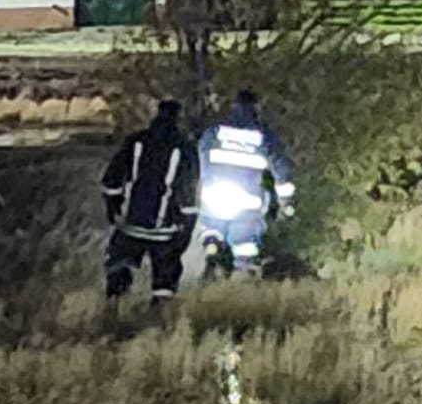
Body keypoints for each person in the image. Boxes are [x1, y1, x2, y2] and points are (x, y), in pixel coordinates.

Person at [101, 99, 200, 305]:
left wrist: (113, 208)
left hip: (130, 225)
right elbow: (189, 195)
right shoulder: (186, 148)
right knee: (165, 277)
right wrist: (186, 230)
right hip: (166, 230)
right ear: (178, 119)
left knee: (119, 264)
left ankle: (113, 308)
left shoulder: (135, 141)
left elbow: (112, 180)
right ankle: (158, 319)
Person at [198, 88, 294, 268]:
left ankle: (212, 244)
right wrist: (286, 201)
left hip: (214, 196)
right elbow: (281, 167)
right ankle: (243, 273)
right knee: (245, 243)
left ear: (234, 105)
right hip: (248, 202)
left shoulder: (216, 131)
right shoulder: (262, 136)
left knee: (212, 226)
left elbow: (202, 154)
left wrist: (204, 180)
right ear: (256, 107)